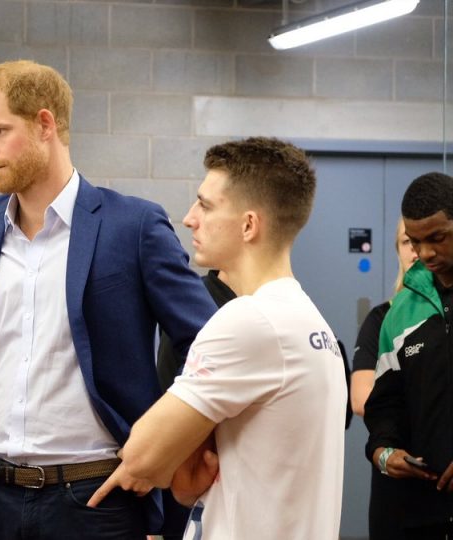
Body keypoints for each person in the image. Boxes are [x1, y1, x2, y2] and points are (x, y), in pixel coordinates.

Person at [0, 60, 217, 539]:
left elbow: (208, 345)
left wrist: (162, 445)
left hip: (94, 499)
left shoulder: (133, 226)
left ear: (44, 124)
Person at [89, 137, 347, 540]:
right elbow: (193, 475)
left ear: (248, 225)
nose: (190, 218)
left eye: (206, 205)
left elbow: (143, 458)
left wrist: (162, 463)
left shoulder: (248, 320)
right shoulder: (312, 324)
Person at [364, 171, 453, 538]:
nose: (426, 253)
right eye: (416, 242)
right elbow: (385, 406)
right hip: (421, 513)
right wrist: (385, 453)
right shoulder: (400, 312)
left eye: (438, 238)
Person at [351, 218, 417, 540]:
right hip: (395, 481)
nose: (416, 250)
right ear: (398, 251)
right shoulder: (381, 319)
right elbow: (362, 398)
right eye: (407, 242)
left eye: (424, 239)